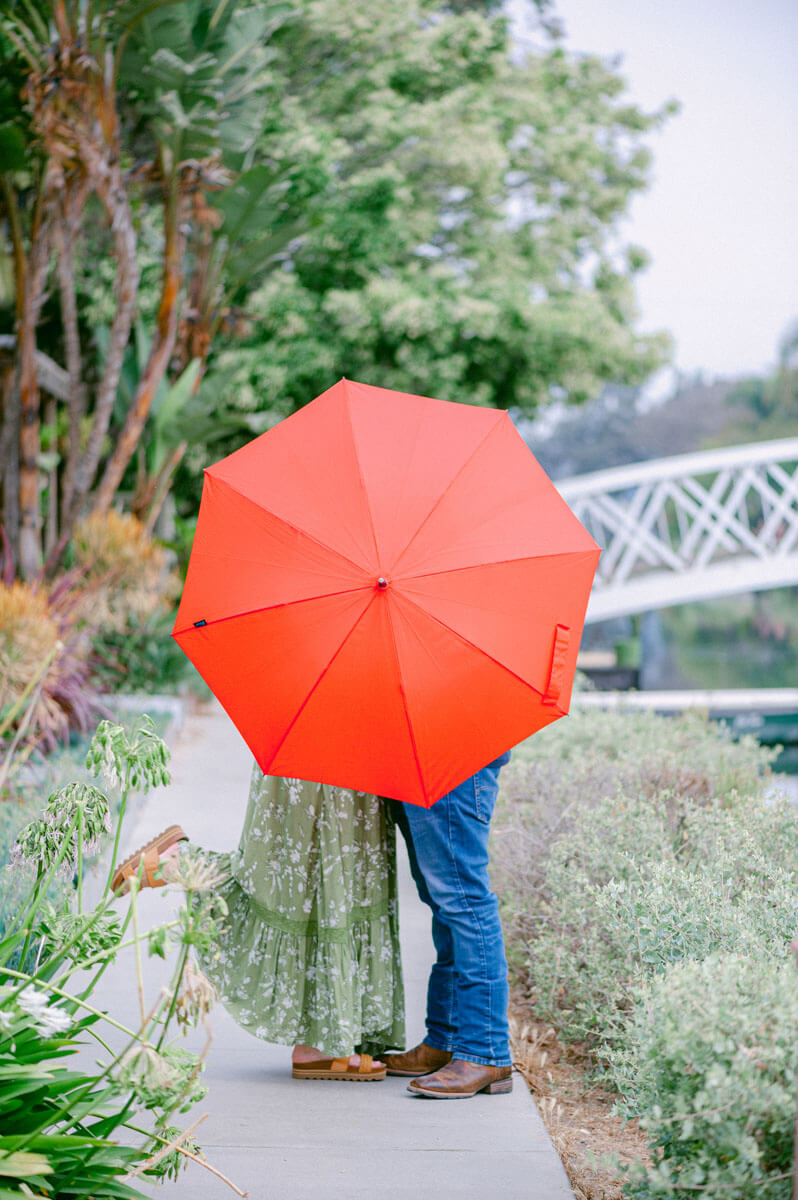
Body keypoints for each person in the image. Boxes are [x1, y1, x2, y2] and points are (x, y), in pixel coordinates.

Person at [112, 765, 405, 1083]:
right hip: (330, 762)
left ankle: (317, 1044)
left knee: (311, 886)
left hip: (341, 762)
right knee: (290, 885)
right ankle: (179, 862)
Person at [381, 752, 513, 1099]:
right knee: (443, 902)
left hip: (451, 759)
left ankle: (485, 1051)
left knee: (464, 900)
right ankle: (446, 1039)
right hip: (416, 758)